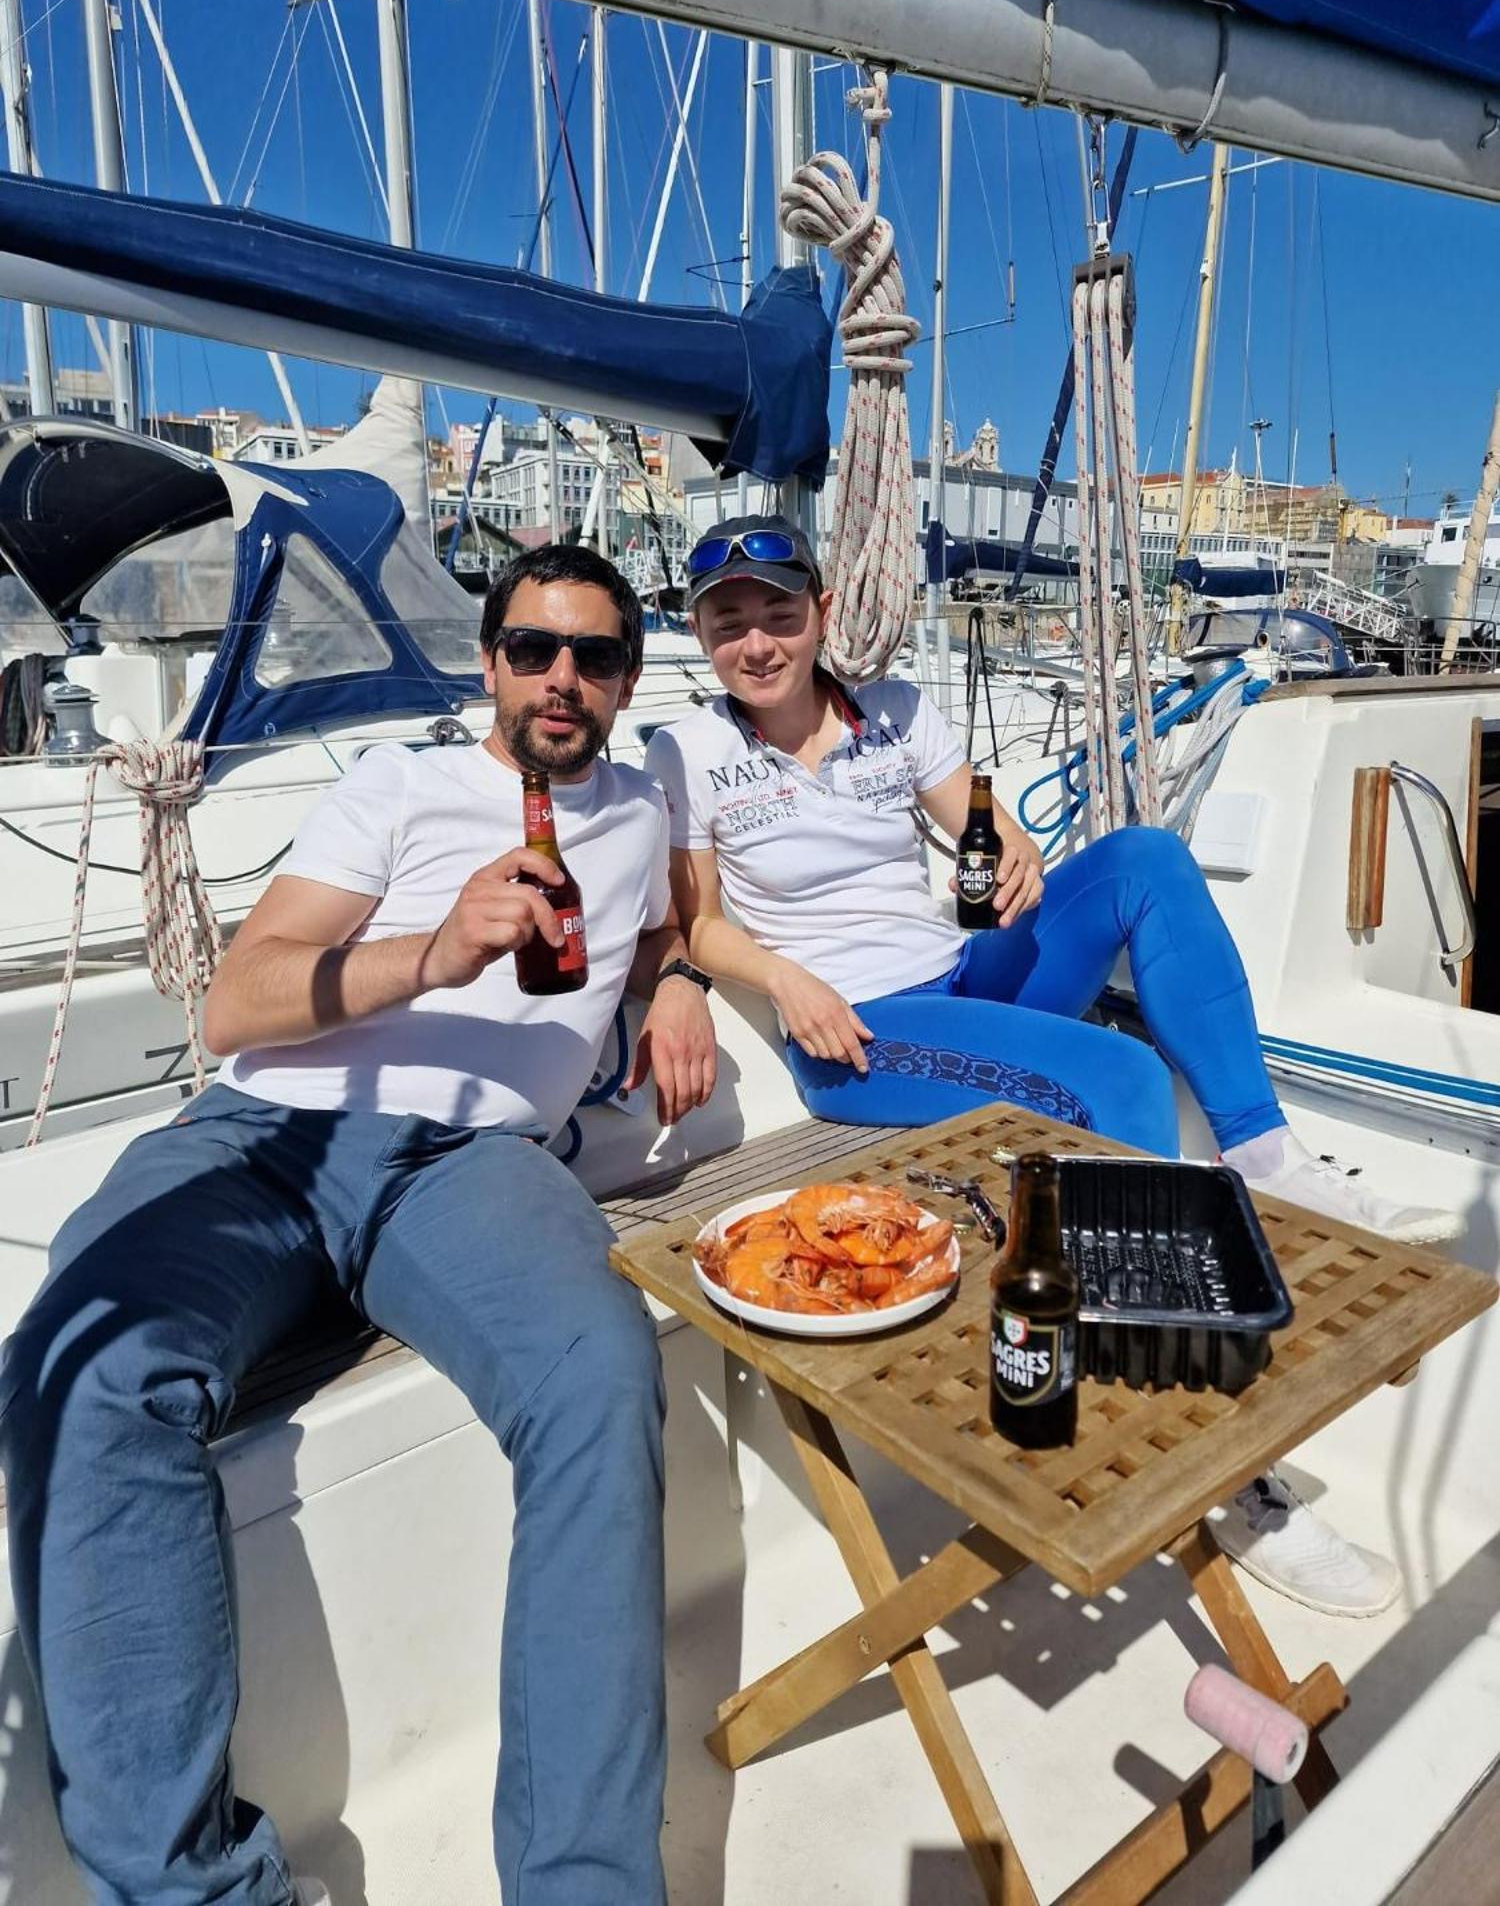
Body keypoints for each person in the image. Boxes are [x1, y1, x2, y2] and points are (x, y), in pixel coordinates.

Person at [0, 544, 716, 1906]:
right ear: (488, 660)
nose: (562, 679)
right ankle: (196, 1890)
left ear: (627, 680)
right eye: (531, 649)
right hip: (274, 1139)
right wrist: (435, 953)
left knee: (601, 1380)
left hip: (474, 1167)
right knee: (83, 1375)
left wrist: (673, 978)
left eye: (597, 655)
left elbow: (682, 905)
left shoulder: (644, 796)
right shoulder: (400, 786)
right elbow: (236, 1003)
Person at [646, 513, 1464, 1619]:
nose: (756, 641)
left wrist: (1012, 843)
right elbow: (694, 922)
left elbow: (975, 822)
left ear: (821, 614)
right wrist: (784, 980)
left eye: (778, 612)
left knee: (1144, 859)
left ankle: (1265, 1154)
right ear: (698, 630)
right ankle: (1212, 1456)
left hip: (964, 971)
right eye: (727, 620)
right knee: (1119, 1080)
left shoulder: (890, 711)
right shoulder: (690, 749)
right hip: (863, 1030)